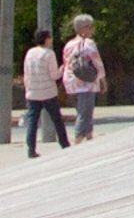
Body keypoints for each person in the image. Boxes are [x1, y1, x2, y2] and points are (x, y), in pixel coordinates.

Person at [17, 34, 67, 154]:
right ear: (46, 39)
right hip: (48, 92)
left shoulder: (30, 53)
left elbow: (26, 73)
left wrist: (27, 88)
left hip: (33, 92)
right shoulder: (49, 54)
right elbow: (54, 75)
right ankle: (64, 144)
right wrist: (62, 70)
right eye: (50, 38)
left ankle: (31, 148)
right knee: (57, 119)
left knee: (33, 121)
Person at [60, 15, 107, 143]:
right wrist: (102, 80)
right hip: (86, 83)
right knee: (85, 113)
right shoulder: (89, 44)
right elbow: (98, 63)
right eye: (90, 27)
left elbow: (65, 63)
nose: (92, 30)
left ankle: (89, 134)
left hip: (70, 83)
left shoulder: (69, 45)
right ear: (83, 29)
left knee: (83, 110)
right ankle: (78, 137)